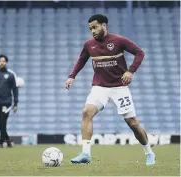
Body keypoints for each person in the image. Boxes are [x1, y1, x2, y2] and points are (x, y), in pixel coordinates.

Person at [65, 14, 155, 166]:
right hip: (99, 87)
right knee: (87, 111)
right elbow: (81, 60)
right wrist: (71, 76)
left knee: (132, 123)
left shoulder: (119, 41)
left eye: (95, 27)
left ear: (104, 25)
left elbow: (140, 53)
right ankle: (86, 153)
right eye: (90, 29)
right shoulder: (89, 45)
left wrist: (130, 71)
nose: (92, 31)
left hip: (120, 87)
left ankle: (149, 152)